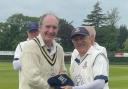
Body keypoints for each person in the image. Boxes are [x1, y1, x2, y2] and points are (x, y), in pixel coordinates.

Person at [20, 13, 67, 89]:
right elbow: (33, 79)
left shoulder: (59, 49)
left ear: (57, 29)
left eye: (54, 27)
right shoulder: (30, 47)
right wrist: (52, 87)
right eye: (47, 27)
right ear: (40, 28)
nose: (51, 31)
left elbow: (63, 72)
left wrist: (63, 83)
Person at [12, 22, 39, 89]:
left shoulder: (45, 46)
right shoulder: (21, 46)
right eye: (31, 32)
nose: (33, 34)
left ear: (39, 32)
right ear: (27, 32)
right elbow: (15, 66)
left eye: (35, 31)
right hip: (25, 86)